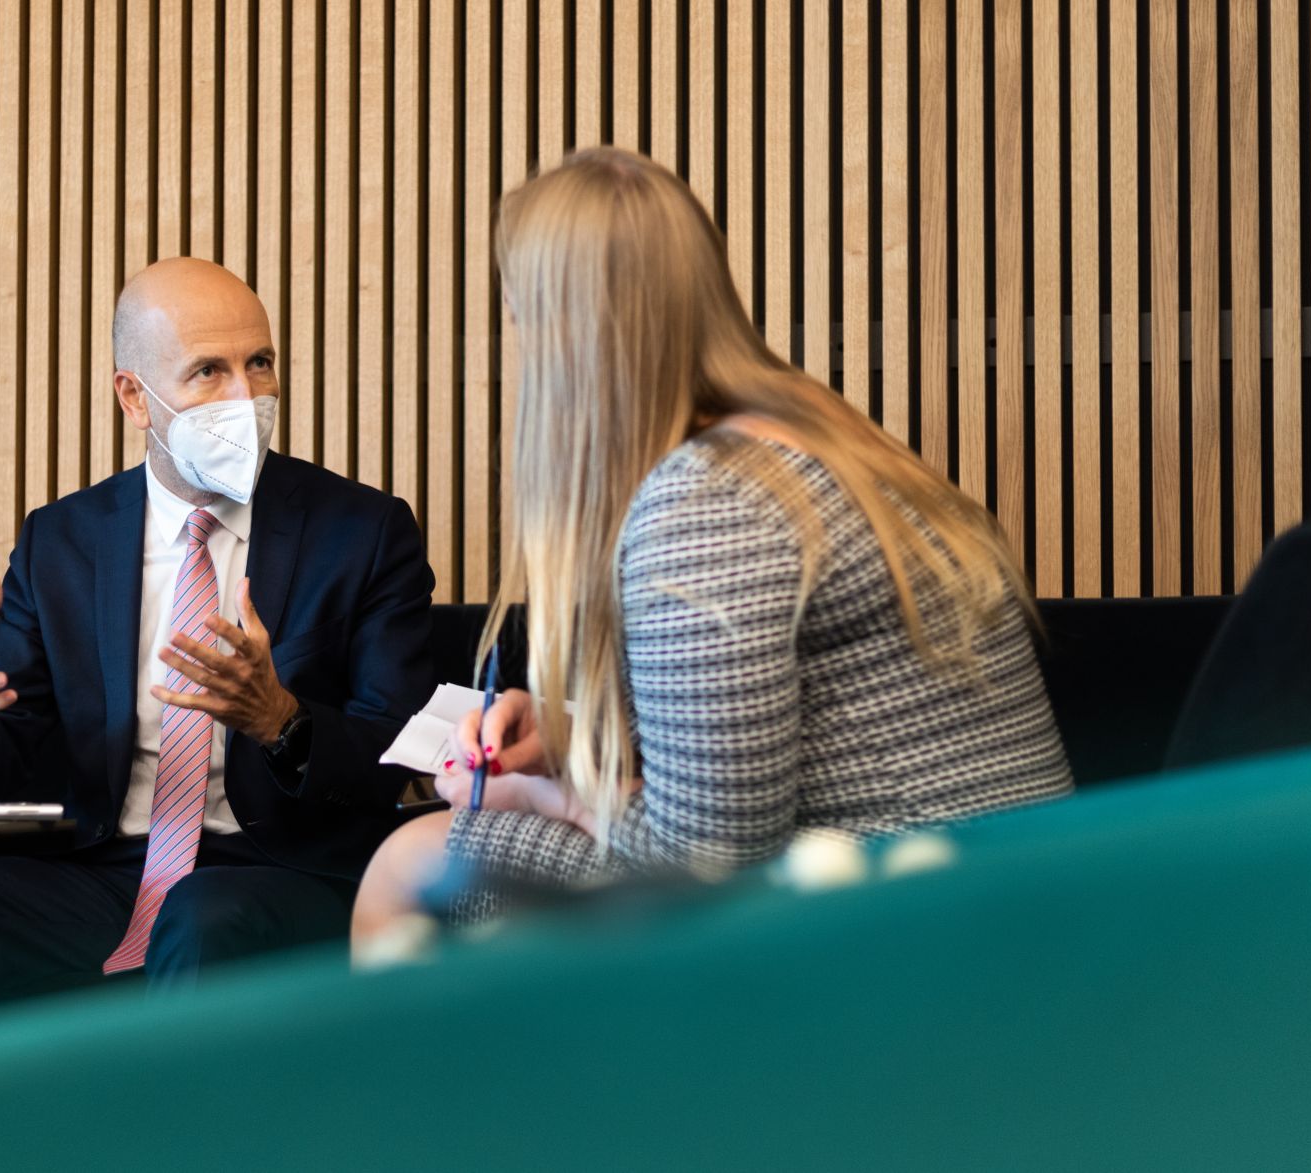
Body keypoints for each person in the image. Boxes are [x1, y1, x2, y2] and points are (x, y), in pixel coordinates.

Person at [351, 149, 1072, 947]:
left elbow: (708, 859)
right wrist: (561, 741)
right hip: (1013, 884)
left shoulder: (704, 502)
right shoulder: (814, 439)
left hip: (905, 916)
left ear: (565, 337)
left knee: (408, 865)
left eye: (521, 317)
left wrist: (534, 795)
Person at [0, 258, 434, 1030]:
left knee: (204, 914)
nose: (245, 397)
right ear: (135, 397)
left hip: (275, 871)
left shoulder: (362, 532)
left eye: (259, 364)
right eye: (208, 372)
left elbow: (403, 754)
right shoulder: (63, 539)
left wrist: (281, 720)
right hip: (108, 870)